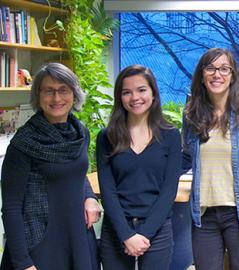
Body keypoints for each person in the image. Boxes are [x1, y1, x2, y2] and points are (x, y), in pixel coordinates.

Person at [1, 63, 101, 270]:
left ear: (74, 93)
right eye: (49, 91)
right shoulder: (23, 143)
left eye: (63, 90)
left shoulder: (79, 133)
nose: (56, 98)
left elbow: (77, 173)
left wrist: (89, 196)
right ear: (38, 95)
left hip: (77, 237)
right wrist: (23, 263)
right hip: (39, 243)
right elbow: (11, 208)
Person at [182, 48, 239, 270]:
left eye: (224, 69)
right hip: (204, 216)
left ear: (233, 76)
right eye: (210, 68)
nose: (216, 74)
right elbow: (185, 159)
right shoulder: (191, 115)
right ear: (202, 76)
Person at [96, 65, 181, 270]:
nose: (135, 97)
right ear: (120, 97)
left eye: (141, 89)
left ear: (153, 93)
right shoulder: (107, 137)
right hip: (117, 228)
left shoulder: (170, 135)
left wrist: (143, 234)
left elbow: (169, 191)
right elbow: (107, 191)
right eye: (127, 92)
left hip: (157, 229)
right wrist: (126, 235)